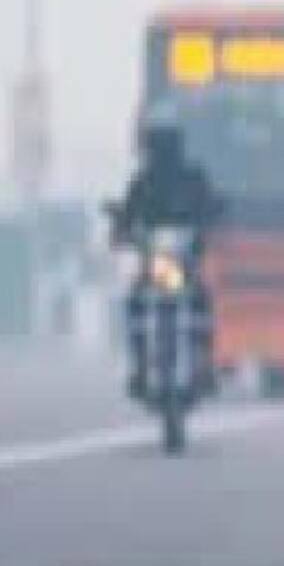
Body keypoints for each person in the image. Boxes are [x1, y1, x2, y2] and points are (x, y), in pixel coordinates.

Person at [110, 108, 221, 400]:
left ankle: (203, 363)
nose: (163, 148)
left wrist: (208, 223)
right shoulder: (142, 181)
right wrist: (121, 230)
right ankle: (139, 363)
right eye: (159, 141)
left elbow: (210, 206)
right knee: (135, 302)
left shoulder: (193, 177)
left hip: (184, 260)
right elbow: (127, 214)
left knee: (202, 302)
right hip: (154, 260)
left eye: (166, 140)